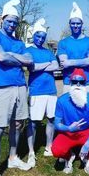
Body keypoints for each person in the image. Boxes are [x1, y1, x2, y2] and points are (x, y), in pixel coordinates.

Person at [0, 0, 33, 176]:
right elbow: (1, 57)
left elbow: (29, 61)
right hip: (1, 88)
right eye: (9, 21)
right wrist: (14, 57)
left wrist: (11, 54)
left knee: (18, 124)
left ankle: (13, 158)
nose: (12, 25)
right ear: (1, 19)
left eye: (15, 22)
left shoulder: (19, 43)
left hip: (20, 86)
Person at [51, 68, 89, 174]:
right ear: (70, 83)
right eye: (75, 82)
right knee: (56, 150)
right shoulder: (61, 100)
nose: (78, 85)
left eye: (81, 82)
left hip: (87, 131)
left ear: (85, 84)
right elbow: (56, 124)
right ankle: (69, 156)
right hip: (68, 132)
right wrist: (68, 128)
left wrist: (87, 144)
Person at [26, 18, 59, 167]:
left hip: (51, 91)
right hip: (36, 91)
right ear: (33, 35)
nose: (40, 39)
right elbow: (31, 67)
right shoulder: (28, 51)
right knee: (33, 123)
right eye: (38, 36)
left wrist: (41, 65)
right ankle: (31, 151)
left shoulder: (48, 51)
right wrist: (47, 64)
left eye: (43, 37)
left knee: (51, 119)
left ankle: (49, 146)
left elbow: (57, 66)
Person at [57, 2, 89, 95]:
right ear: (69, 24)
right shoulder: (63, 42)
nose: (75, 26)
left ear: (82, 24)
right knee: (68, 109)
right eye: (73, 23)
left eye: (78, 23)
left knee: (88, 109)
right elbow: (64, 63)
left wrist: (70, 62)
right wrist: (84, 61)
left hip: (87, 83)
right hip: (68, 83)